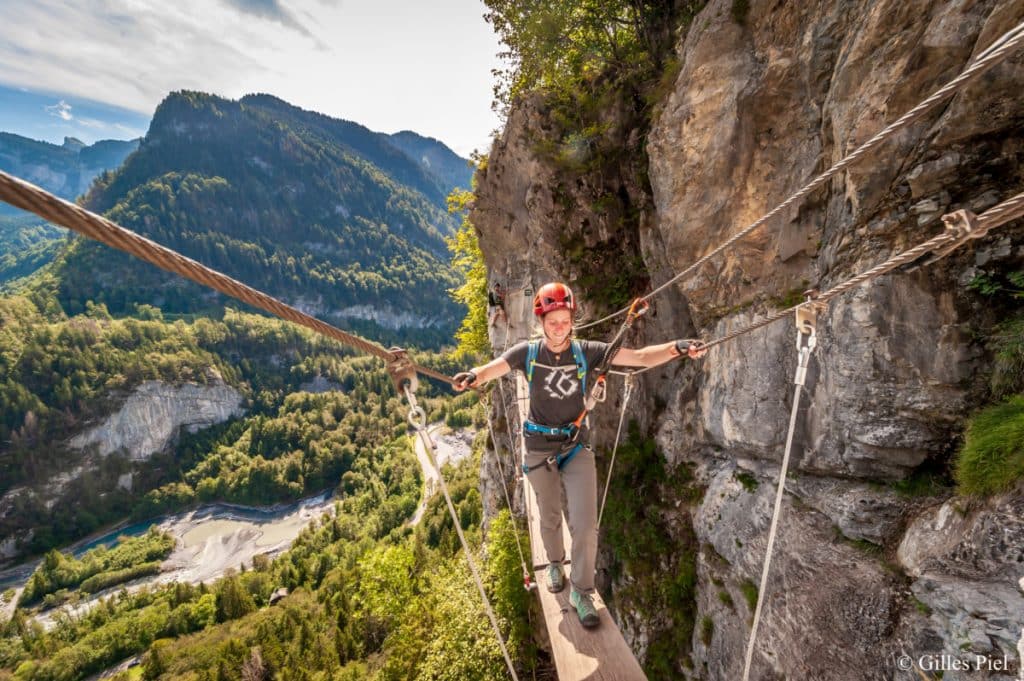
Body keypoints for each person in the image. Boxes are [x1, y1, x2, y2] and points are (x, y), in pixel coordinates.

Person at [453, 281, 707, 629]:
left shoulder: (587, 351)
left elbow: (640, 358)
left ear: (573, 320)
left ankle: (582, 591)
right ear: (540, 322)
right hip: (539, 446)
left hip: (574, 445)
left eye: (564, 321)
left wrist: (677, 347)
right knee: (549, 515)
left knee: (585, 524)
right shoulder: (525, 354)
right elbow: (493, 368)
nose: (559, 328)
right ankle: (555, 563)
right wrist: (473, 376)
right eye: (552, 321)